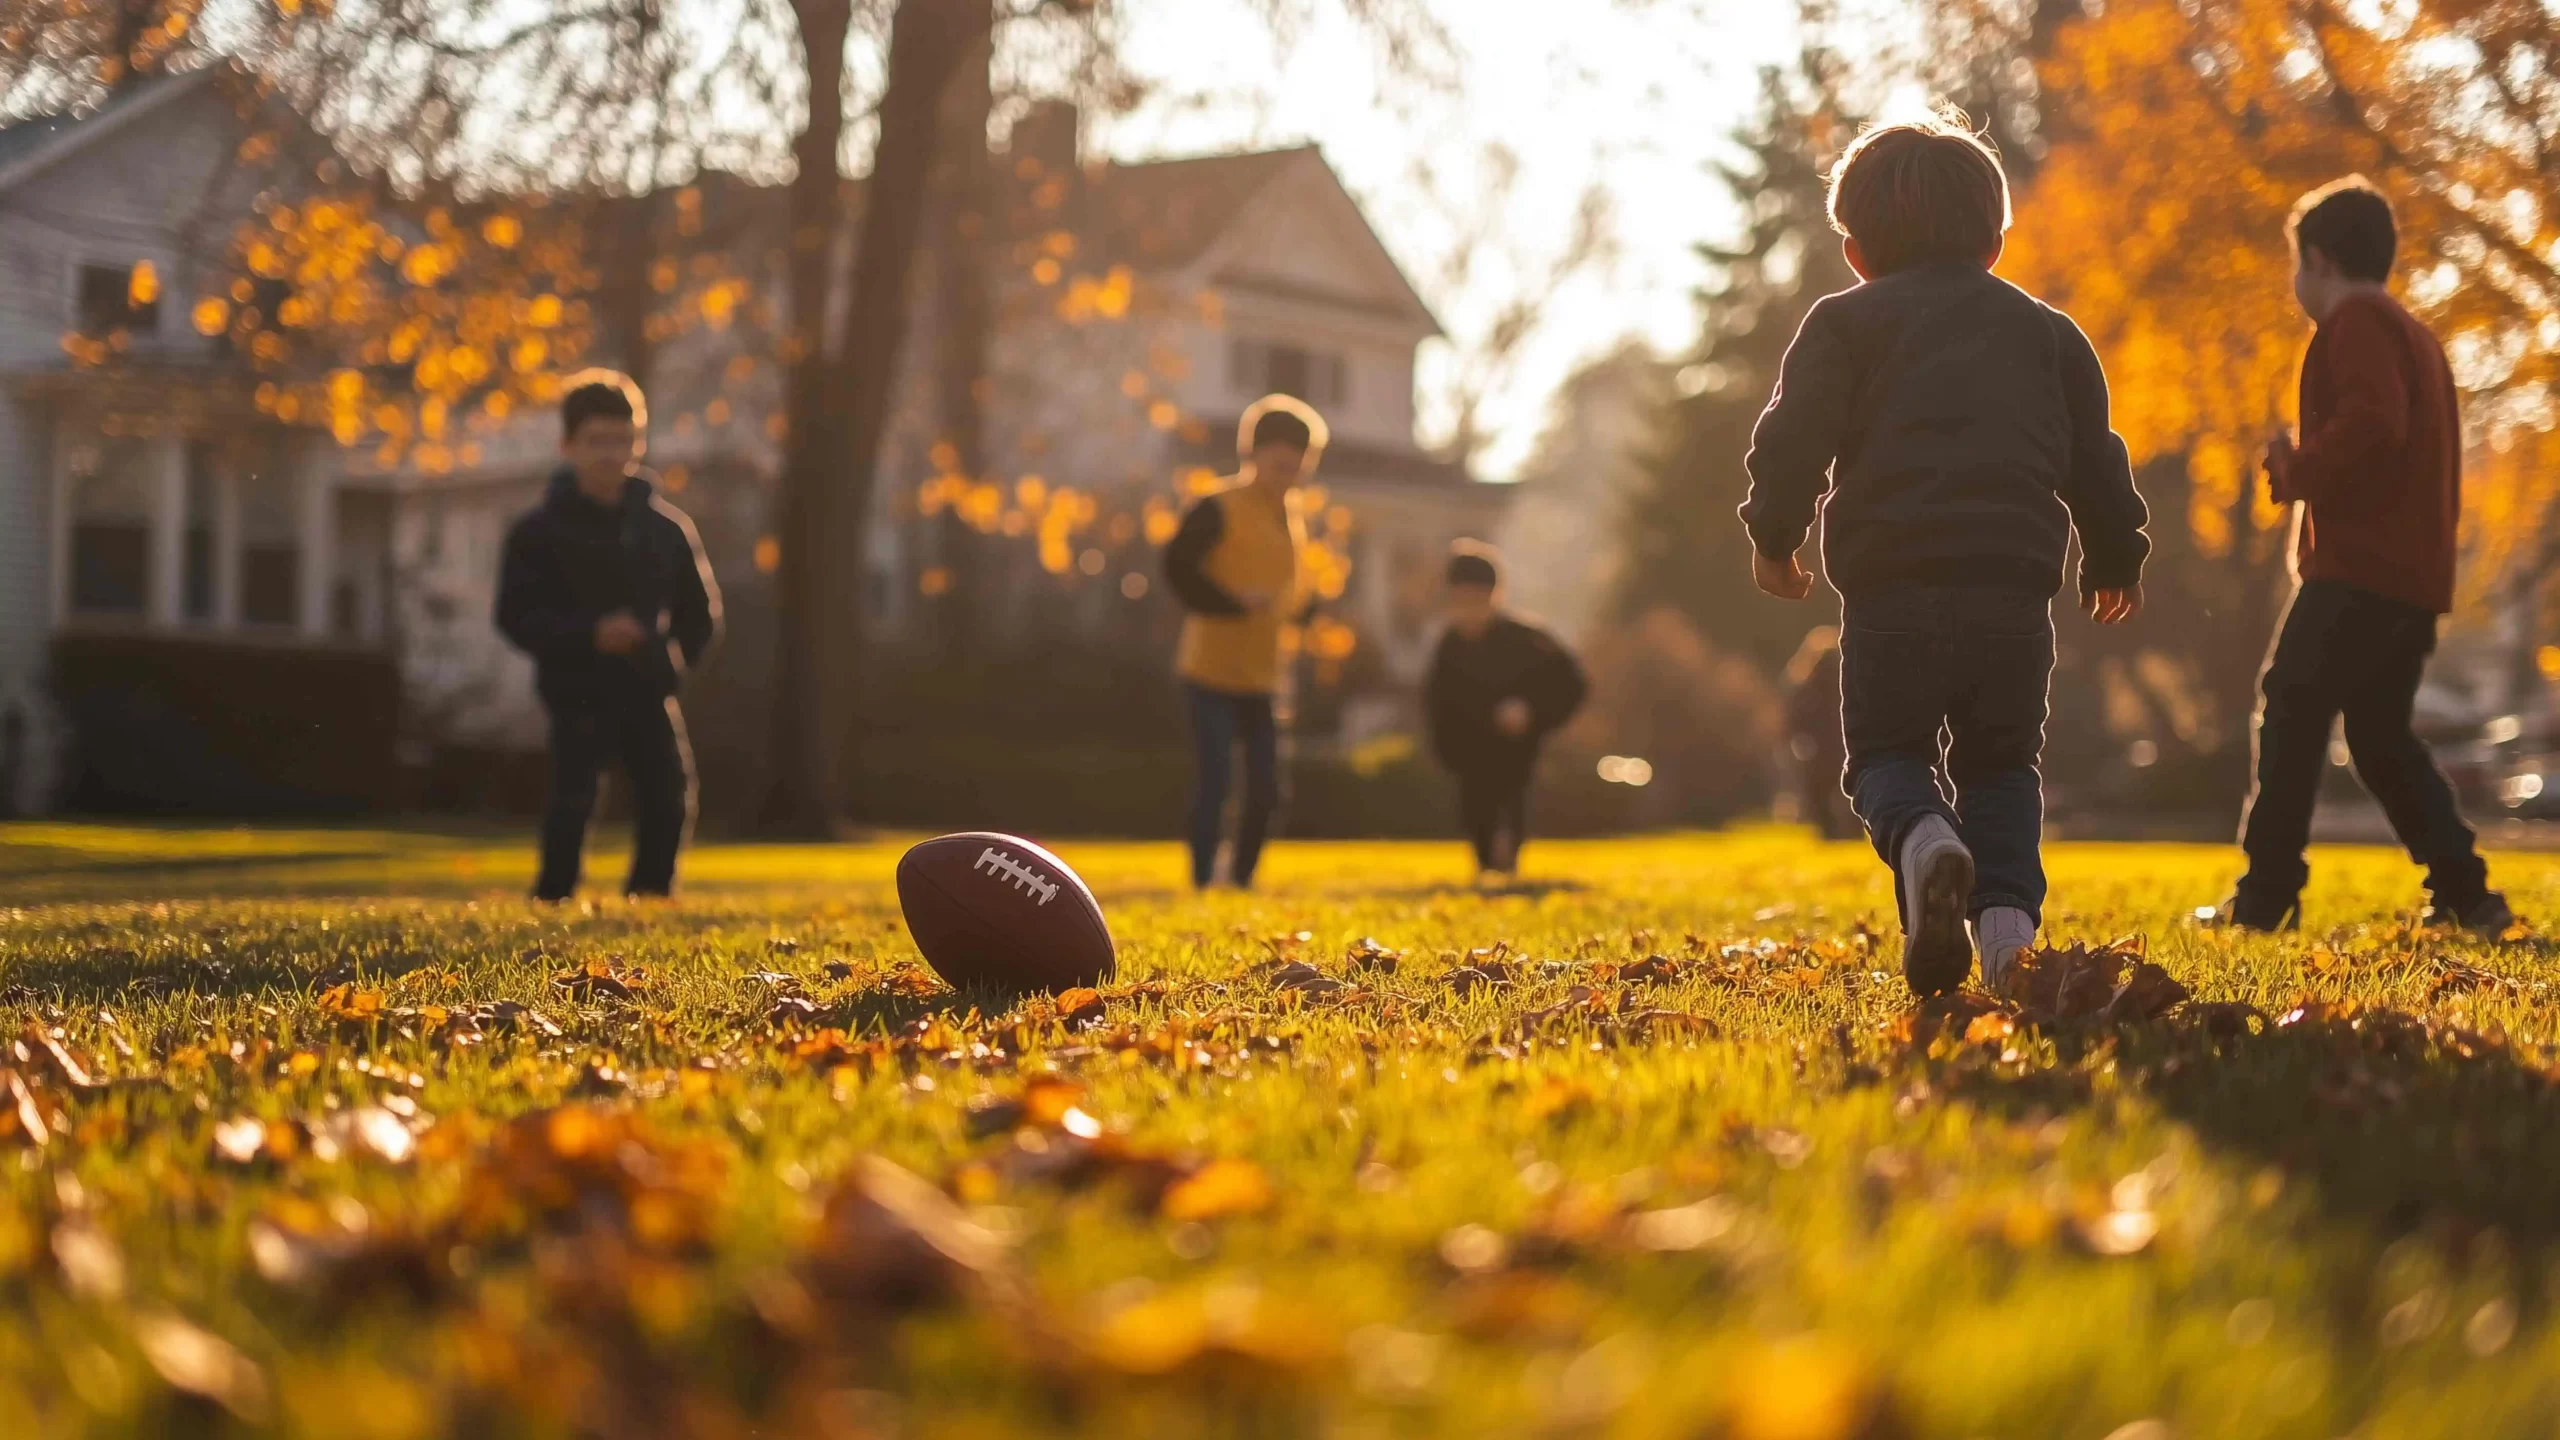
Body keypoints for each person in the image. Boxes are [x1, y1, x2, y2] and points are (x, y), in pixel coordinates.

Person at [1740, 115, 2151, 996]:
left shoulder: (1845, 322)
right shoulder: (2051, 335)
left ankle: (1926, 841)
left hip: (1892, 589)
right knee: (2002, 765)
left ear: (1853, 250)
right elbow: (2095, 457)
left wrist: (1776, 536)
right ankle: (2007, 945)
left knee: (1885, 756)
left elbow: (1793, 439)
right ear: (1998, 242)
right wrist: (2115, 554)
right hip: (2012, 594)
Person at [2213, 178, 2513, 934]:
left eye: (2296, 265)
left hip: (2361, 570)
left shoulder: (2358, 324)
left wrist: (2297, 469)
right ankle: (2468, 895)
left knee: (2289, 706)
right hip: (2413, 576)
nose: (2295, 284)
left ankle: (2266, 896)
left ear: (2319, 259)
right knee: (2380, 739)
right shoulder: (2416, 334)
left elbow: (2373, 423)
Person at [497, 371, 722, 902]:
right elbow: (515, 614)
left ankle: (650, 896)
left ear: (638, 443)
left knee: (668, 796)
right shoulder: (537, 531)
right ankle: (553, 899)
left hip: (647, 689)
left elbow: (701, 614)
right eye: (597, 440)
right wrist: (588, 635)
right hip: (575, 688)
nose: (611, 453)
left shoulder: (666, 529)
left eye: (623, 440)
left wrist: (671, 666)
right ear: (568, 445)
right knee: (571, 801)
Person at [1161, 395, 1324, 890]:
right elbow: (1177, 568)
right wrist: (1232, 603)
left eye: (1298, 461)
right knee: (1215, 783)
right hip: (1210, 672)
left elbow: (1289, 595)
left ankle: (1242, 878)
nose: (1288, 470)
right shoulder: (1219, 506)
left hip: (1262, 677)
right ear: (1253, 455)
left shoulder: (1291, 516)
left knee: (1267, 789)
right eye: (1278, 460)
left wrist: (1308, 612)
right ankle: (1203, 879)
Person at [1423, 542, 1588, 882]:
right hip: (1471, 751)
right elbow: (1437, 704)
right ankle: (1486, 865)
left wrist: (1532, 711)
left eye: (1476, 600)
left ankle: (1508, 861)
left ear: (1495, 596)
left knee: (1512, 799)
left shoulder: (1528, 639)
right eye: (1461, 600)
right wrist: (1448, 747)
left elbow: (1572, 683)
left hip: (1516, 747)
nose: (1469, 610)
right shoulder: (1449, 648)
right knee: (1476, 807)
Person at [1780, 627, 1858, 841]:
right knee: (1853, 795)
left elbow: (1793, 723)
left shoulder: (1804, 685)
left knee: (1819, 797)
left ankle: (1830, 834)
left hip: (1819, 755)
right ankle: (1850, 833)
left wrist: (1797, 749)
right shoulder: (1852, 682)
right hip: (1848, 752)